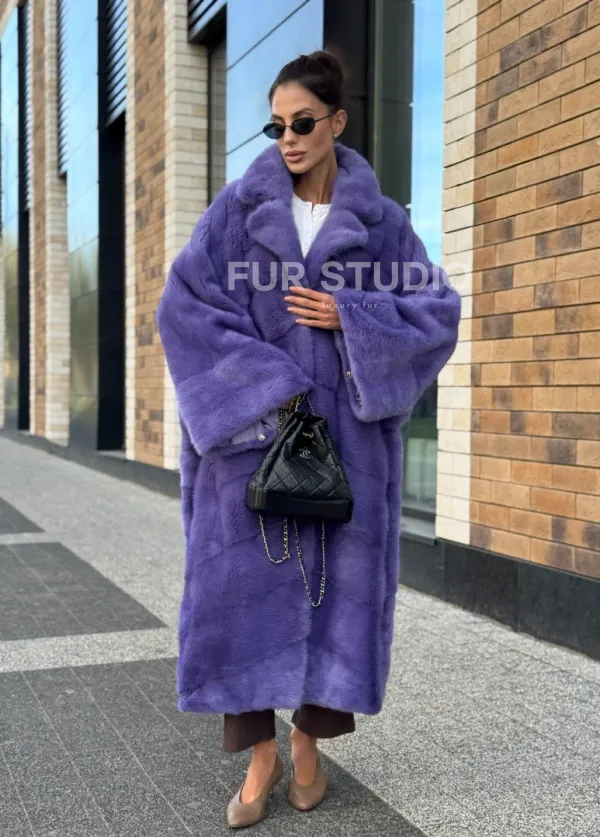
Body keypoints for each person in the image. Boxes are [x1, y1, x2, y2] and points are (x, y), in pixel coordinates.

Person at [156, 50, 461, 829]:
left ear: (336, 122)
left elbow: (436, 314)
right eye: (276, 126)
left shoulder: (383, 227)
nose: (288, 138)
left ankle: (308, 746)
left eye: (301, 122)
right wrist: (270, 386)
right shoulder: (236, 214)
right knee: (239, 600)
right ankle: (260, 757)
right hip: (249, 447)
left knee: (335, 594)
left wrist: (351, 316)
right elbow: (184, 307)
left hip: (348, 451)